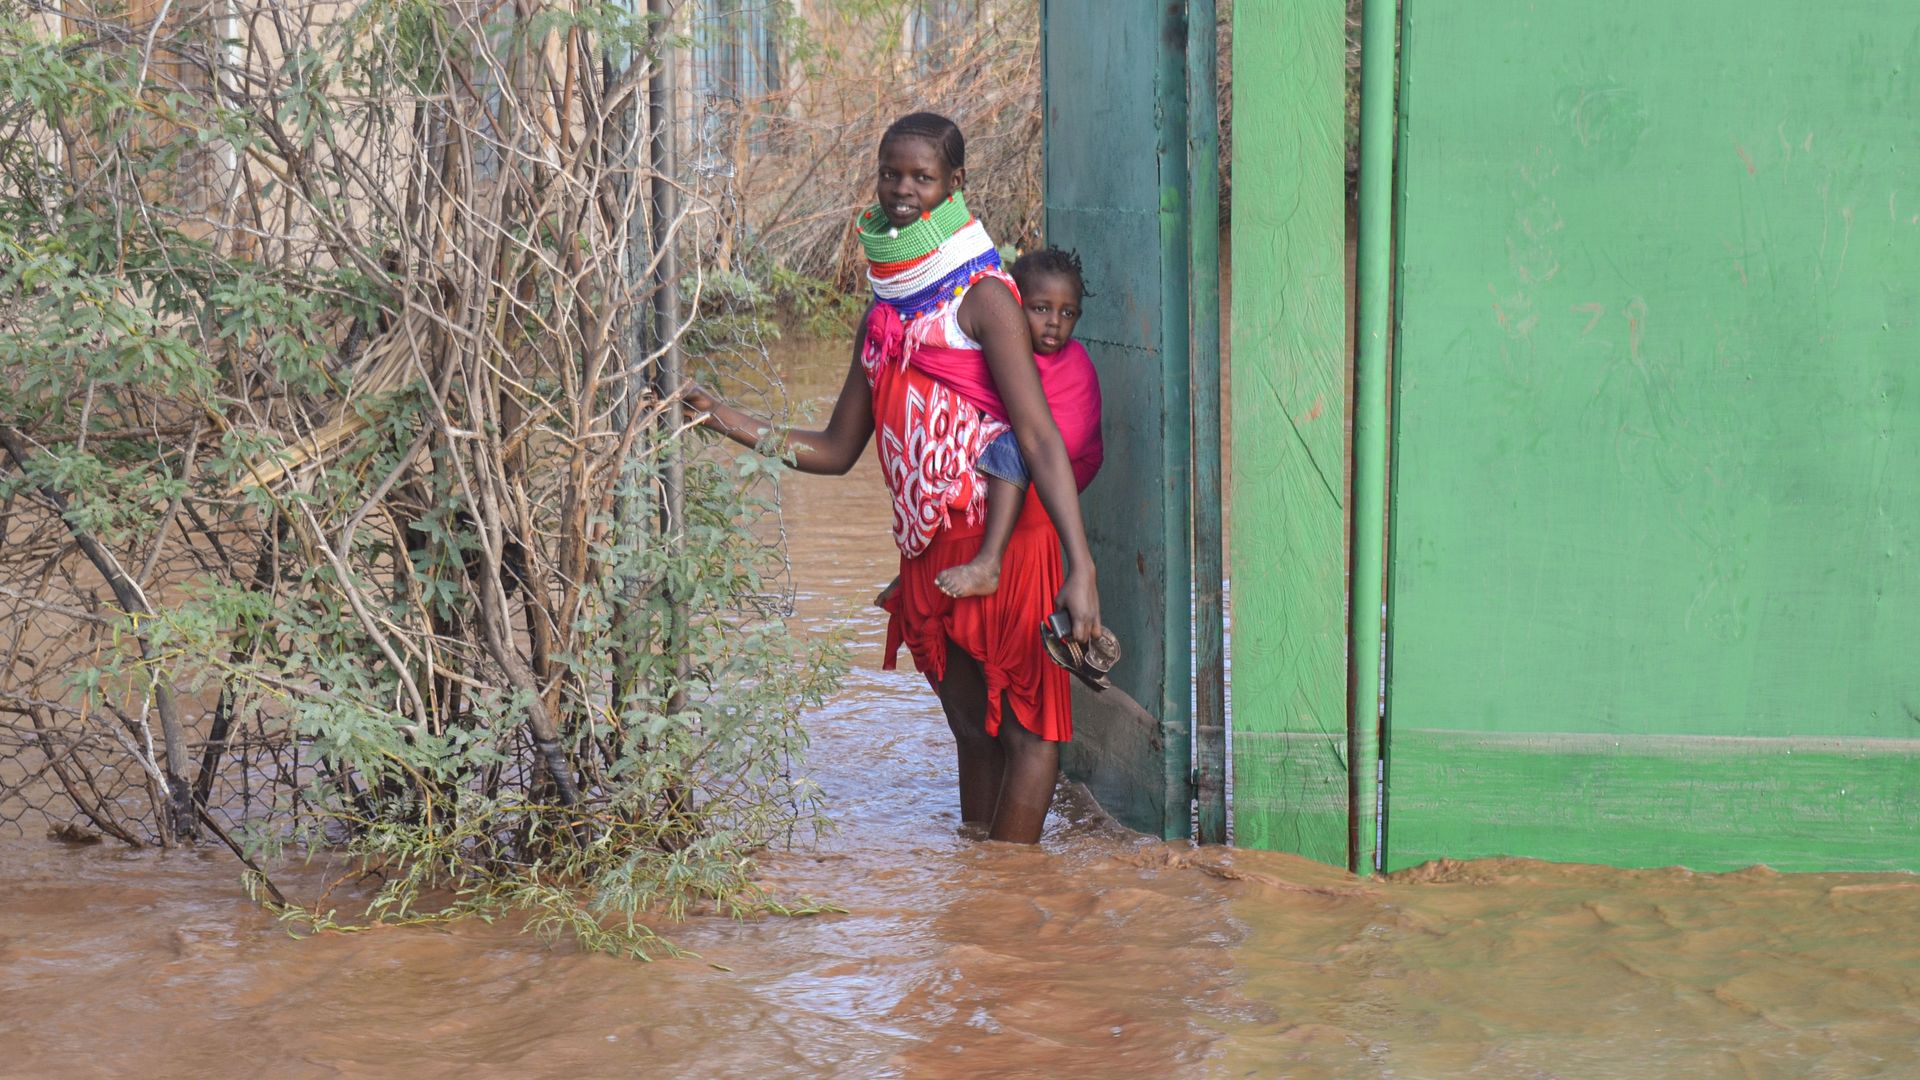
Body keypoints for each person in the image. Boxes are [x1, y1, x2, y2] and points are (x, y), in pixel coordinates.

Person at [681, 112, 1103, 844]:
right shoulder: (883, 313)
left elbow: (1036, 436)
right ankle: (980, 899)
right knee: (973, 732)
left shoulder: (985, 297)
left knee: (1034, 734)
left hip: (1006, 540)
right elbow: (839, 448)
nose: (903, 191)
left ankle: (1012, 911)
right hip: (931, 553)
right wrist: (721, 417)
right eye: (891, 174)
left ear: (955, 186)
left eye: (922, 177)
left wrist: (1082, 566)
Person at [911, 247, 1102, 600]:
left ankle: (989, 562)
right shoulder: (1004, 349)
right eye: (1040, 309)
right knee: (951, 435)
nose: (1054, 322)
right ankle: (917, 560)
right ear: (1015, 307)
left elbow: (1065, 440)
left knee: (1007, 443)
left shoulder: (1075, 363)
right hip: (1022, 459)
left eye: (1068, 313)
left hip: (1058, 466)